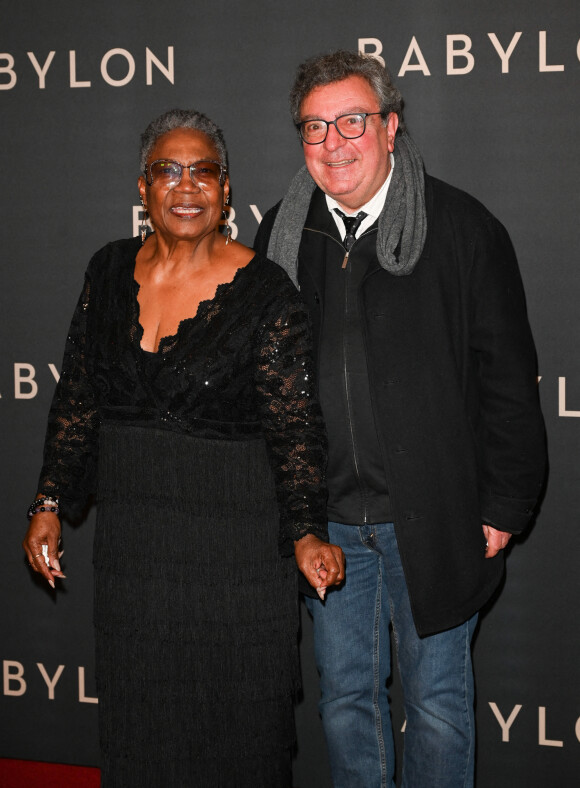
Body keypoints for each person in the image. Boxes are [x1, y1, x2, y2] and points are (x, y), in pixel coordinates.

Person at [22, 108, 344, 787]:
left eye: (204, 171)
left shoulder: (264, 292)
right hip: (135, 556)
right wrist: (49, 500)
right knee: (143, 728)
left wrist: (308, 531)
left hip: (235, 562)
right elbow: (77, 396)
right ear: (143, 189)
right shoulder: (107, 272)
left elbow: (295, 427)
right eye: (169, 171)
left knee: (237, 737)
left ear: (226, 190)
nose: (187, 185)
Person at [254, 51, 547, 788]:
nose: (333, 143)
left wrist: (505, 505)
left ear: (390, 127)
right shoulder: (280, 239)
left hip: (437, 519)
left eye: (352, 121)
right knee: (347, 704)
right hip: (329, 527)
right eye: (314, 128)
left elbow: (507, 382)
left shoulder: (463, 229)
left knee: (439, 705)